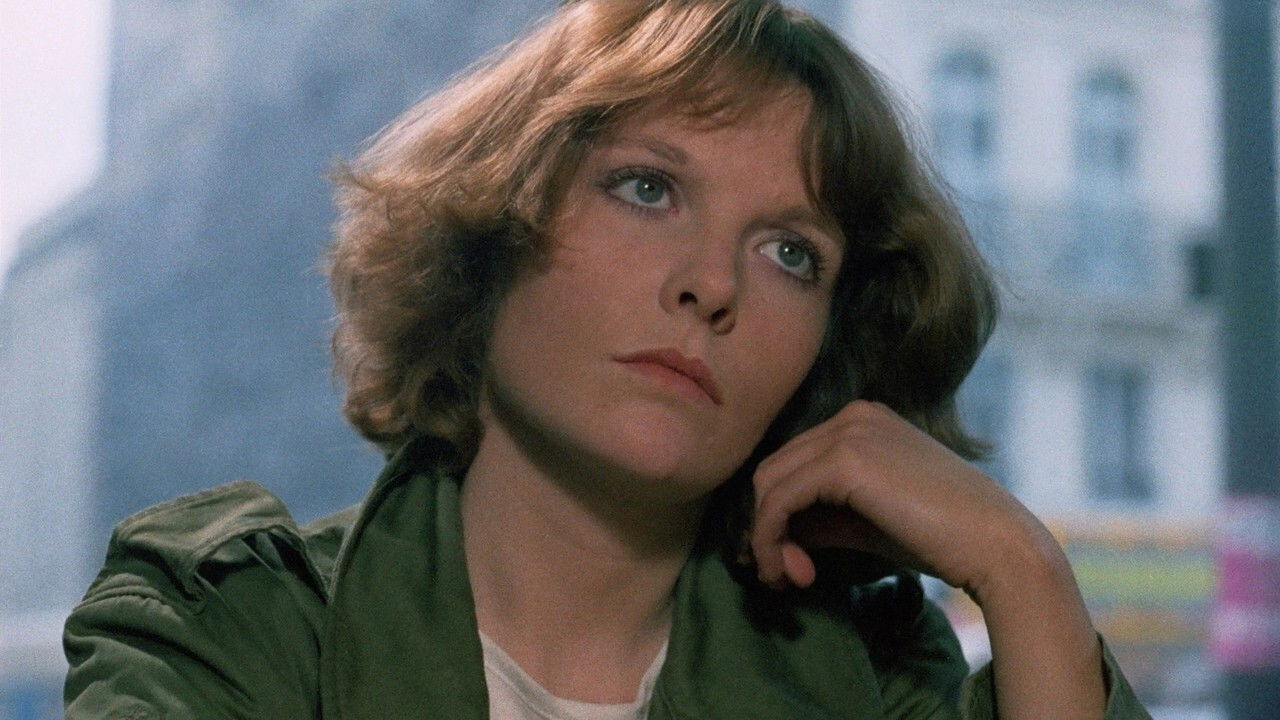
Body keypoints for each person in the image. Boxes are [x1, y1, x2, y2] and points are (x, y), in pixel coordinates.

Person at [63, 1, 1152, 718]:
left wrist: (1022, 570)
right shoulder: (226, 624)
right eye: (647, 188)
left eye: (789, 252)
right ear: (493, 226)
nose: (712, 283)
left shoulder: (871, 679)